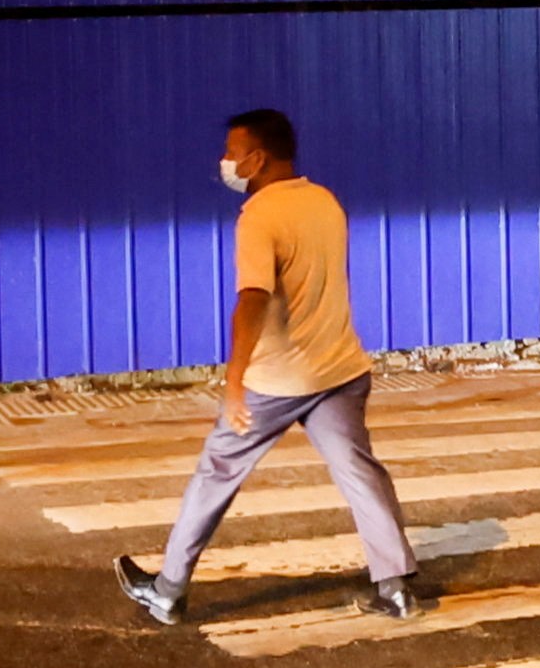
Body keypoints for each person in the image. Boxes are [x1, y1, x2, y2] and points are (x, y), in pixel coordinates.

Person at [113, 109, 430, 626]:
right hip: (339, 369)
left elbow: (254, 298)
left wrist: (235, 379)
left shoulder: (259, 216)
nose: (225, 162)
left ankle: (167, 591)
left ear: (257, 158)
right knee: (359, 471)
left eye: (232, 153)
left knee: (217, 472)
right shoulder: (324, 201)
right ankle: (394, 588)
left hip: (278, 379)